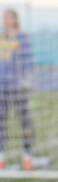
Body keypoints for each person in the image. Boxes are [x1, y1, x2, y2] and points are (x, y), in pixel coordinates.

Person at [0, 9, 34, 170]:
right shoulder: (1, 37)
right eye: (3, 18)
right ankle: (1, 157)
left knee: (25, 123)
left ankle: (27, 156)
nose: (4, 20)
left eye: (7, 17)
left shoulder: (22, 38)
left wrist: (26, 81)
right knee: (1, 123)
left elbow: (27, 62)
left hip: (18, 87)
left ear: (15, 20)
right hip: (2, 87)